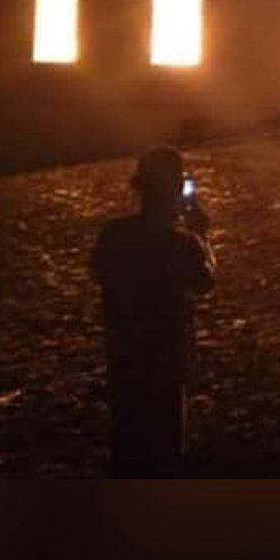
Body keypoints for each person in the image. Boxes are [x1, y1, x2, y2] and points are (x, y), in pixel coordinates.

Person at [91, 146, 215, 477]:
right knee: (166, 441)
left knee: (126, 440)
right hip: (167, 356)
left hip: (124, 353)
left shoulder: (113, 233)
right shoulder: (181, 243)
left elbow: (98, 272)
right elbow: (205, 282)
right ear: (176, 189)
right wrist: (200, 235)